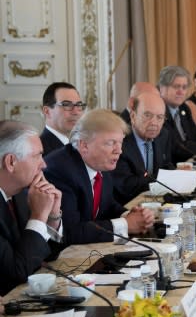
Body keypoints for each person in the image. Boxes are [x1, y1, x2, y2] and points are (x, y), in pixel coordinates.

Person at [44, 109, 154, 245]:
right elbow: (70, 232)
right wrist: (125, 224)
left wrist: (131, 216)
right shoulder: (61, 171)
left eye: (120, 142)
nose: (118, 151)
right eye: (110, 143)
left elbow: (107, 205)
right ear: (84, 145)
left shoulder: (100, 163)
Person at [0, 121, 64, 295]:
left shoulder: (20, 193)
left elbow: (47, 257)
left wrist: (52, 217)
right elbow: (18, 272)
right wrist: (38, 216)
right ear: (11, 162)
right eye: (37, 156)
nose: (44, 164)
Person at [113, 93, 175, 203]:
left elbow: (167, 165)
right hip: (127, 205)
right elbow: (126, 185)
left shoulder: (163, 135)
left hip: (157, 202)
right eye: (147, 115)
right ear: (133, 116)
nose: (154, 123)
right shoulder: (120, 140)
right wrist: (164, 178)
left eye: (159, 117)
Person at [157, 65, 196, 162]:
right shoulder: (158, 112)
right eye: (176, 86)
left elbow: (195, 135)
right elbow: (177, 147)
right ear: (162, 88)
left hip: (190, 162)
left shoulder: (183, 108)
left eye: (184, 87)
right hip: (172, 168)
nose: (181, 92)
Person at [40, 82, 86, 156]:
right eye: (67, 105)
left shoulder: (79, 144)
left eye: (78, 105)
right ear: (47, 111)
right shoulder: (41, 151)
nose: (76, 112)